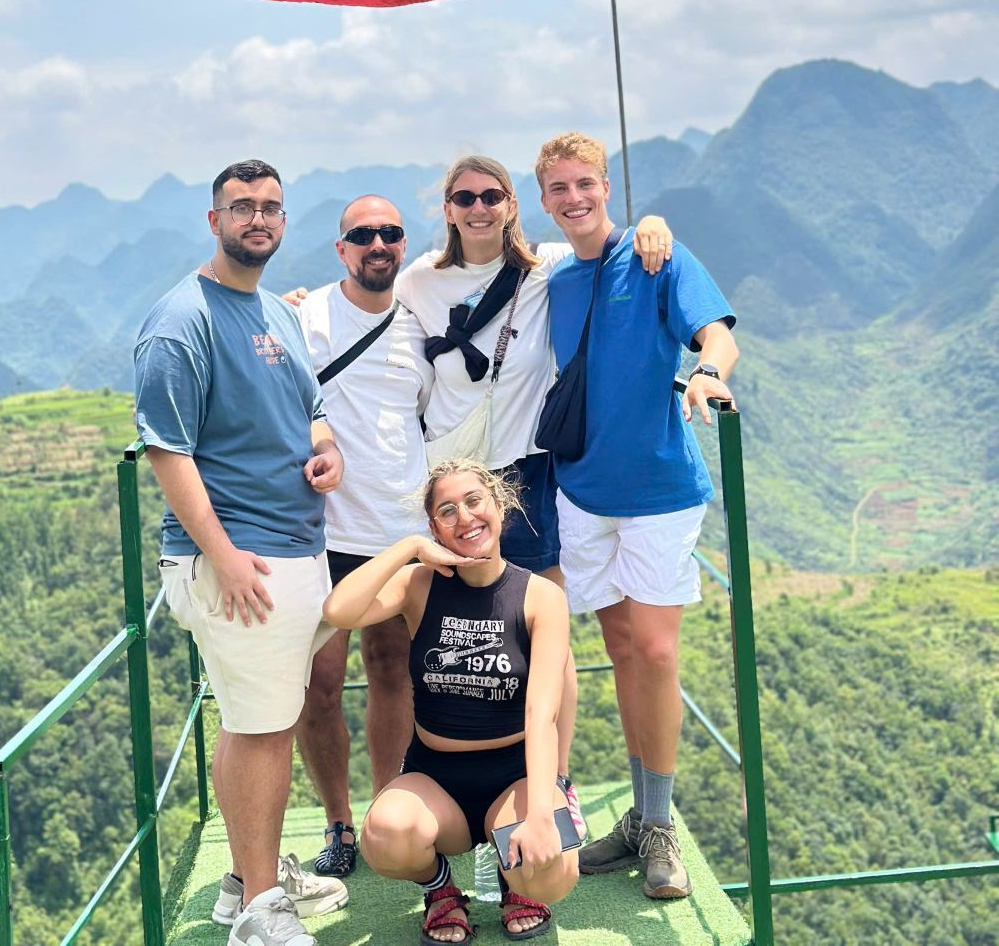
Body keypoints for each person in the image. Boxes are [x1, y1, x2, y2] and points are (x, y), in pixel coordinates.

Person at [395, 155, 672, 832]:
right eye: (465, 197)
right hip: (451, 483)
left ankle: (554, 781)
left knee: (548, 637)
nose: (479, 207)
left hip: (525, 477)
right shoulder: (419, 281)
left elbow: (600, 241)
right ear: (449, 208)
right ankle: (444, 780)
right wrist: (301, 307)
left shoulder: (543, 267)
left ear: (512, 203)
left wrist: (653, 225)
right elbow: (365, 311)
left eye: (492, 195)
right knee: (441, 634)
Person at [134, 158, 348, 946]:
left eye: (270, 208)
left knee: (255, 719)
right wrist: (220, 553)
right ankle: (262, 913)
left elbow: (311, 411)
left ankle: (242, 880)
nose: (257, 219)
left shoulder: (275, 314)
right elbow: (167, 451)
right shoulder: (180, 320)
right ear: (214, 219)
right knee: (262, 730)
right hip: (242, 561)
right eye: (242, 207)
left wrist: (328, 455)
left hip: (291, 548)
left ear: (283, 222)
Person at [536, 131, 739, 901]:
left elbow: (713, 332)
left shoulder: (657, 257)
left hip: (657, 490)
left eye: (585, 183)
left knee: (654, 650)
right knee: (620, 648)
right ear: (546, 200)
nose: (575, 198)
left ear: (605, 185)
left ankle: (658, 824)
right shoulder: (553, 280)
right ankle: (639, 819)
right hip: (582, 490)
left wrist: (709, 375)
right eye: (559, 188)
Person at [323, 459, 578, 943]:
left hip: (515, 774)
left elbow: (541, 715)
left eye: (474, 501)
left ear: (499, 506)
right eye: (446, 511)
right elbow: (339, 610)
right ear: (434, 526)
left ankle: (513, 878)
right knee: (385, 836)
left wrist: (543, 813)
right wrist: (409, 549)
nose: (465, 518)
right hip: (436, 776)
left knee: (553, 873)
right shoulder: (420, 585)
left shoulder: (540, 596)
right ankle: (441, 891)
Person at [294, 194, 434, 880]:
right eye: (363, 235)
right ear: (341, 248)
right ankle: (339, 825)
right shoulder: (306, 315)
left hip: (399, 530)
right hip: (321, 530)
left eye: (390, 233)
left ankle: (387, 814)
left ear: (403, 245)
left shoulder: (419, 325)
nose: (378, 243)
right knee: (316, 685)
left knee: (392, 672)